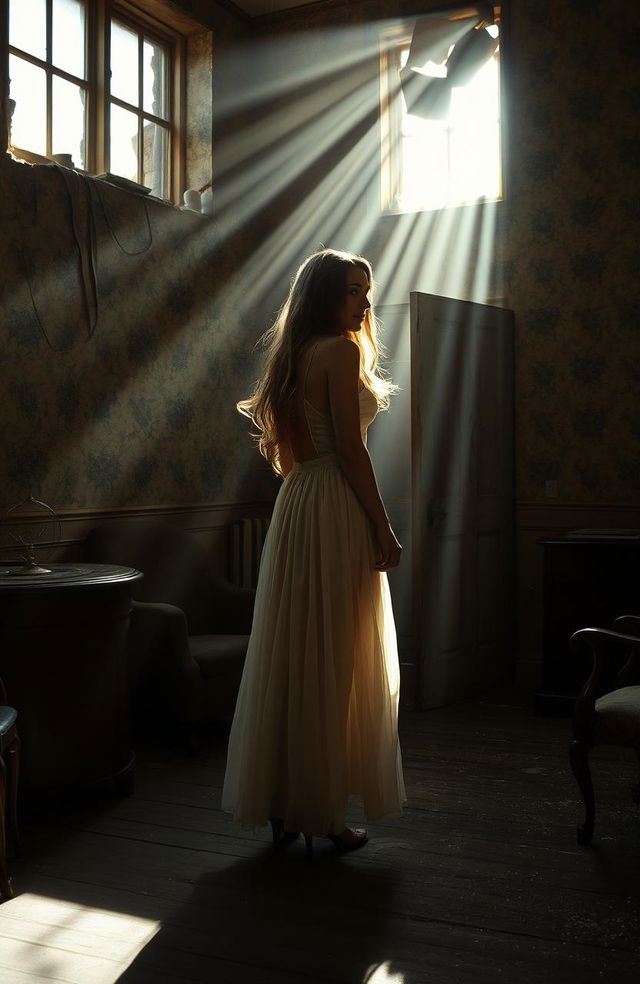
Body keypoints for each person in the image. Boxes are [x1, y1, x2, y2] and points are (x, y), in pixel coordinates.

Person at [221, 248, 406, 855]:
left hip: (298, 503)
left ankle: (286, 803)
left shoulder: (294, 357)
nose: (364, 302)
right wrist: (383, 528)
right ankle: (321, 812)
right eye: (353, 290)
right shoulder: (340, 352)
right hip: (331, 504)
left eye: (366, 290)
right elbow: (351, 451)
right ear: (327, 294)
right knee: (333, 655)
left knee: (297, 649)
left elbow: (294, 452)